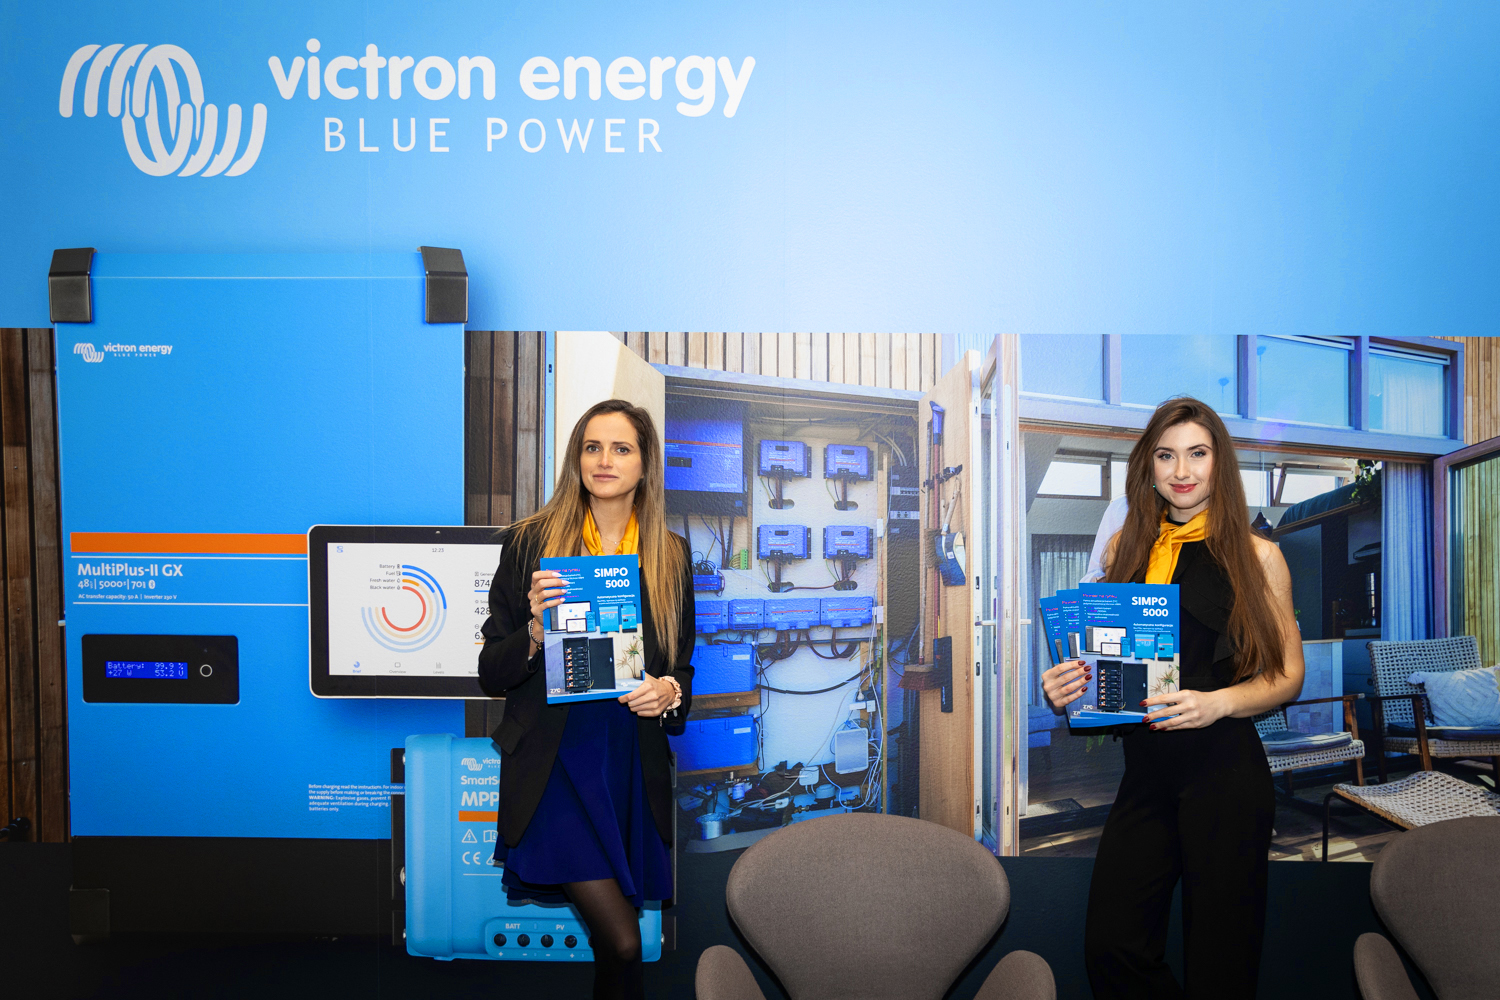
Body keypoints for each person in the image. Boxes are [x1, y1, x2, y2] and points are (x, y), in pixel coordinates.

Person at [1040, 396, 1305, 1000]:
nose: (1181, 470)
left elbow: (1289, 675)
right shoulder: (1123, 551)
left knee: (1221, 969)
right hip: (1146, 776)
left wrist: (1219, 702)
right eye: (1166, 455)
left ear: (1219, 463)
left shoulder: (1259, 556)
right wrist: (1068, 686)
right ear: (1149, 466)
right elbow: (1105, 665)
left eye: (1197, 453)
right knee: (1112, 946)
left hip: (1225, 774)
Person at [478, 398, 694, 1000]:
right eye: (592, 447)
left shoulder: (670, 554)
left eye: (621, 448)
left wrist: (668, 691)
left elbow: (680, 667)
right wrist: (535, 631)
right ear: (576, 458)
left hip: (626, 764)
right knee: (623, 942)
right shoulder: (529, 544)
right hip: (554, 768)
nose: (604, 460)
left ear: (645, 464)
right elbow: (491, 671)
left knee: (612, 946)